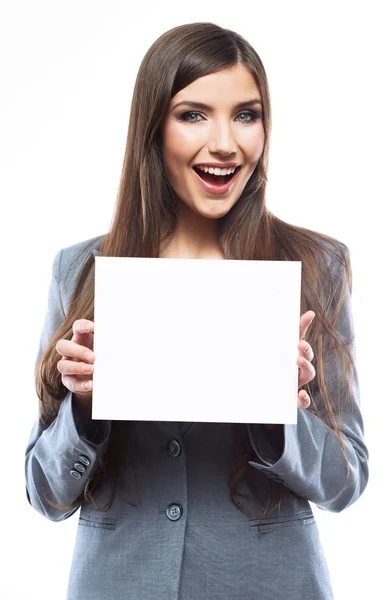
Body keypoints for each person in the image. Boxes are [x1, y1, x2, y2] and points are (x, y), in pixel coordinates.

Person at [25, 21, 369, 600]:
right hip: (120, 583)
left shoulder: (318, 265)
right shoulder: (79, 269)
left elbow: (344, 481)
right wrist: (83, 407)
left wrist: (278, 411)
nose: (226, 143)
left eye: (246, 114)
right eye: (193, 114)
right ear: (153, 127)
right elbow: (47, 496)